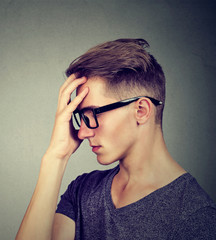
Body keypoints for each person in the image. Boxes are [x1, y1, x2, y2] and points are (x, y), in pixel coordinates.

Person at [15, 38, 216, 239]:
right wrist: (56, 157)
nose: (82, 133)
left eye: (93, 114)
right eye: (81, 118)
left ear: (141, 110)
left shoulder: (195, 216)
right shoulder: (82, 190)